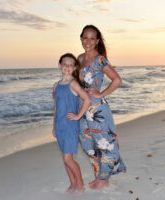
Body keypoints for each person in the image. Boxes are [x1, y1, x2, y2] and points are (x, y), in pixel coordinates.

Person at [77, 25, 126, 189]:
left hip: (97, 110)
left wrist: (101, 93)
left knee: (105, 143)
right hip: (82, 108)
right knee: (88, 145)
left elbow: (117, 80)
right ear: (81, 38)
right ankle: (99, 174)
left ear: (97, 41)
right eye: (85, 37)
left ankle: (104, 178)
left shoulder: (100, 60)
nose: (88, 41)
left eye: (92, 38)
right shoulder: (79, 59)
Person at [52, 53, 91, 193]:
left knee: (68, 159)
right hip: (59, 126)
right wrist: (53, 127)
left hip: (70, 125)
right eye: (64, 64)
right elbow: (56, 107)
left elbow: (87, 99)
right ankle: (73, 182)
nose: (67, 67)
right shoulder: (56, 86)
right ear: (59, 65)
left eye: (70, 65)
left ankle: (80, 183)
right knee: (65, 158)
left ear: (74, 67)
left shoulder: (73, 83)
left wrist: (78, 115)